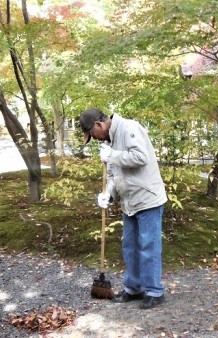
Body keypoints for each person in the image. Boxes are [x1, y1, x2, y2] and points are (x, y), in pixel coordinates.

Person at [79, 108, 167, 310]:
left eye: (93, 135)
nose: (95, 139)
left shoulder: (129, 128)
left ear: (99, 125)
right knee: (129, 246)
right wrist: (107, 194)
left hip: (147, 199)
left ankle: (154, 291)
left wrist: (114, 155)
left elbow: (141, 157)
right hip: (129, 202)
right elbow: (112, 175)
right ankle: (134, 289)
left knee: (148, 247)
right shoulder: (109, 141)